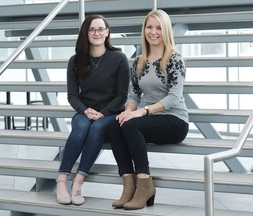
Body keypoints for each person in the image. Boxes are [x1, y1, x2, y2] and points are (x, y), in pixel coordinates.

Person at [108, 9, 189, 210]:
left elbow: (174, 97)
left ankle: (144, 182)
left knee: (131, 126)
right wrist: (128, 111)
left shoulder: (174, 59)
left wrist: (141, 112)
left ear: (166, 31)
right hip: (151, 119)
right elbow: (134, 95)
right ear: (144, 30)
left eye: (158, 27)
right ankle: (129, 183)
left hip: (174, 120)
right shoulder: (139, 61)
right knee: (115, 124)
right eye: (149, 27)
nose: (153, 32)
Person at [56, 14, 130, 206]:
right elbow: (72, 95)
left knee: (97, 128)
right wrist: (86, 110)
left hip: (110, 113)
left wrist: (103, 112)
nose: (97, 33)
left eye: (101, 29)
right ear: (85, 33)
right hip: (84, 112)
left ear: (107, 32)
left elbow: (122, 96)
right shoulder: (75, 60)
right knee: (81, 128)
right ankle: (62, 179)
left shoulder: (119, 58)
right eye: (92, 29)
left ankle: (78, 183)